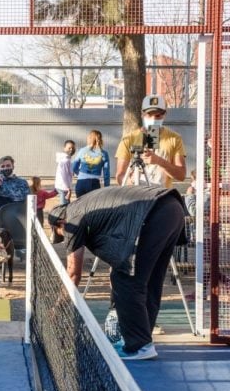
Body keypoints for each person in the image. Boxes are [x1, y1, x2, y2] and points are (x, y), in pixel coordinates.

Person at [47, 185, 187, 360]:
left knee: (126, 280)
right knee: (150, 280)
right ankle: (142, 339)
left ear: (59, 223)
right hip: (173, 207)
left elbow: (73, 273)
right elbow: (117, 249)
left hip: (151, 214)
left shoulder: (71, 221)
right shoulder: (87, 206)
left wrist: (58, 307)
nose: (65, 238)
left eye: (61, 234)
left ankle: (139, 346)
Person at [115, 94, 186, 187]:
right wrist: (130, 180)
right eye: (149, 114)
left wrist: (159, 161)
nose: (153, 119)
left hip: (162, 197)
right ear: (142, 113)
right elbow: (119, 176)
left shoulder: (175, 139)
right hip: (136, 196)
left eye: (158, 115)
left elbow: (181, 175)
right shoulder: (128, 139)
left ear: (164, 115)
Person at [72, 130, 110, 198]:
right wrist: (107, 187)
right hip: (94, 184)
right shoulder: (104, 154)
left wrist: (81, 174)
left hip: (81, 183)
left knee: (80, 206)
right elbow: (106, 173)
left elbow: (74, 167)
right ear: (100, 140)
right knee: (93, 207)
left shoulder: (82, 151)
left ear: (89, 138)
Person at [54, 140, 76, 205]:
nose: (71, 149)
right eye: (69, 148)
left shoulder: (67, 159)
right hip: (63, 187)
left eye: (73, 148)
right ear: (64, 148)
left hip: (63, 186)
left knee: (66, 205)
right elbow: (64, 175)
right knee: (64, 207)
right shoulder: (65, 160)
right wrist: (68, 188)